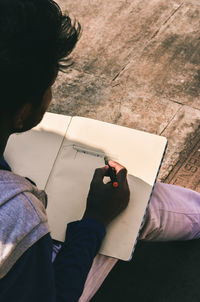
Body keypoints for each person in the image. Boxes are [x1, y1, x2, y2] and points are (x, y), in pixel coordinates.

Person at [1, 1, 200, 302]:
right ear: (23, 113)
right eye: (50, 85)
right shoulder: (19, 215)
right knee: (140, 204)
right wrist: (95, 219)